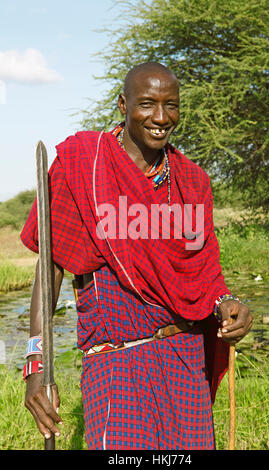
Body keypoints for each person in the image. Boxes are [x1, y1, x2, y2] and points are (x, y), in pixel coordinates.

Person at [21, 62, 252, 450]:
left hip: (184, 355)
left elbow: (205, 275)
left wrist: (229, 305)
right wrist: (35, 365)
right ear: (123, 104)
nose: (161, 118)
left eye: (171, 105)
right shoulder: (84, 167)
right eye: (147, 104)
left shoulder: (191, 181)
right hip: (116, 361)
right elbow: (51, 274)